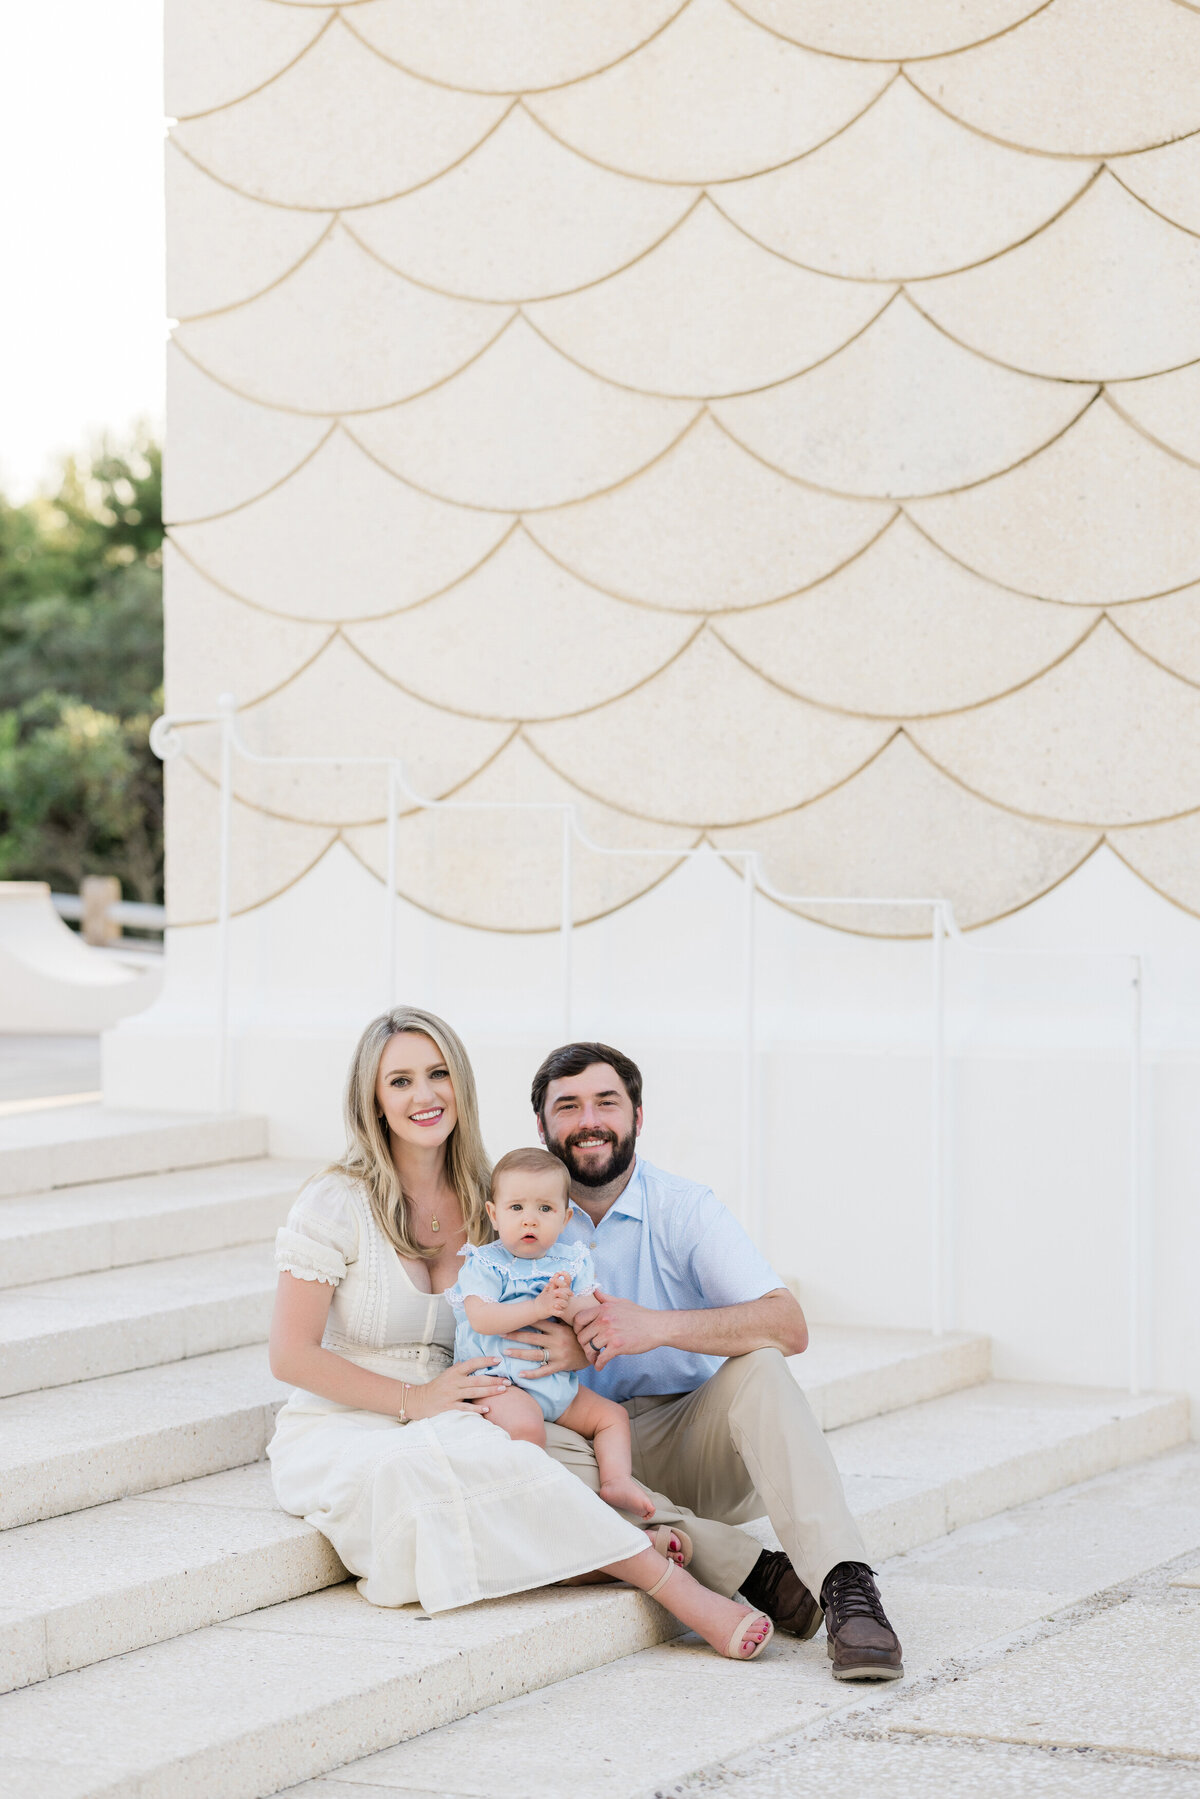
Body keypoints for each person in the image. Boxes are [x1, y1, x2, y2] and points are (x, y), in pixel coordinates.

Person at [265, 1006, 773, 1661]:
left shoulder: (494, 1195)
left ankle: (597, 1556)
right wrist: (412, 1401)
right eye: (400, 1081)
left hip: (470, 1395)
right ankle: (678, 1591)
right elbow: (290, 1353)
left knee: (508, 1449)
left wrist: (567, 1337)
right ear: (373, 1099)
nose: (424, 1095)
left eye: (438, 1073)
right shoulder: (334, 1200)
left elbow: (544, 1297)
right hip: (351, 1417)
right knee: (414, 1469)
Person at [498, 1040, 904, 1682]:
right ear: (543, 1126)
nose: (588, 1121)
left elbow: (787, 1325)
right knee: (503, 1436)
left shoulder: (684, 1207)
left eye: (607, 1102)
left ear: (637, 1116)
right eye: (567, 1106)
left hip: (691, 1443)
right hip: (584, 1454)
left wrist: (653, 1327)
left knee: (764, 1370)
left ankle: (847, 1586)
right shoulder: (512, 1212)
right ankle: (759, 1571)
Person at [447, 1146, 657, 1526]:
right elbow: (482, 1318)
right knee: (527, 1426)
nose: (530, 1220)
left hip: (555, 1383)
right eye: (516, 1209)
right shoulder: (486, 1262)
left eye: (545, 1209)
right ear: (494, 1214)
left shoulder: (570, 1261)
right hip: (500, 1382)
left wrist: (584, 1309)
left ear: (565, 1217)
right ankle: (528, 1503)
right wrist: (540, 1308)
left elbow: (585, 1313)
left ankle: (616, 1480)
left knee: (610, 1416)